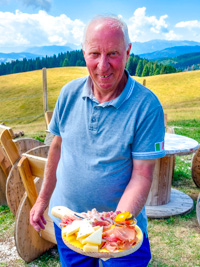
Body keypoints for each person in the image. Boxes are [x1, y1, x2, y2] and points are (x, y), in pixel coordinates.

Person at [30, 14, 166, 267]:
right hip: (69, 224)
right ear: (84, 53)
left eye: (113, 53)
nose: (103, 66)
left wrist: (112, 227)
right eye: (95, 54)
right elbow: (57, 149)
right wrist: (42, 200)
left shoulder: (147, 107)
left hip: (121, 230)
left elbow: (142, 175)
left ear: (128, 52)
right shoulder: (68, 93)